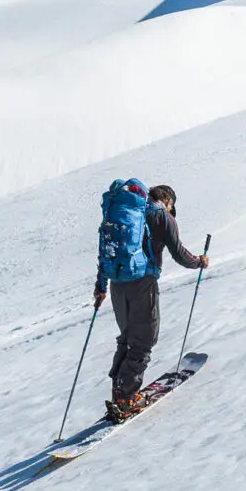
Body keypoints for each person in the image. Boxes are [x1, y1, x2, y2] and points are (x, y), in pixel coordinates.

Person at [93, 181, 207, 422]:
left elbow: (108, 250)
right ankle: (125, 399)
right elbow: (179, 253)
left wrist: (100, 287)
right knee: (144, 339)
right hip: (143, 283)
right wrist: (199, 262)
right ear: (168, 201)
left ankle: (119, 393)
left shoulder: (131, 215)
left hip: (117, 283)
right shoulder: (161, 216)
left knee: (127, 338)